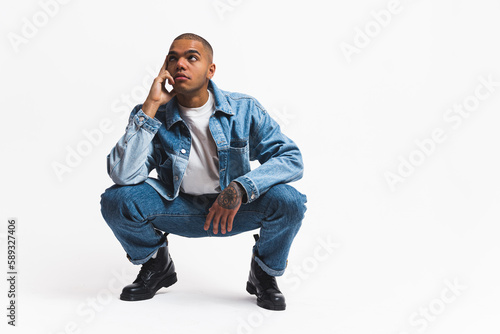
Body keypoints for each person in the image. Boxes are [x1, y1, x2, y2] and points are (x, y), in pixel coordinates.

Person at [100, 33, 307, 311]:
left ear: (211, 70)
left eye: (191, 57)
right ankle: (156, 264)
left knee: (289, 200)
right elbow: (123, 175)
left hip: (234, 210)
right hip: (179, 209)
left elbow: (290, 158)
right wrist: (150, 106)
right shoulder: (153, 115)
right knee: (117, 200)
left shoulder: (244, 109)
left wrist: (240, 188)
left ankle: (263, 274)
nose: (180, 64)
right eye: (173, 58)